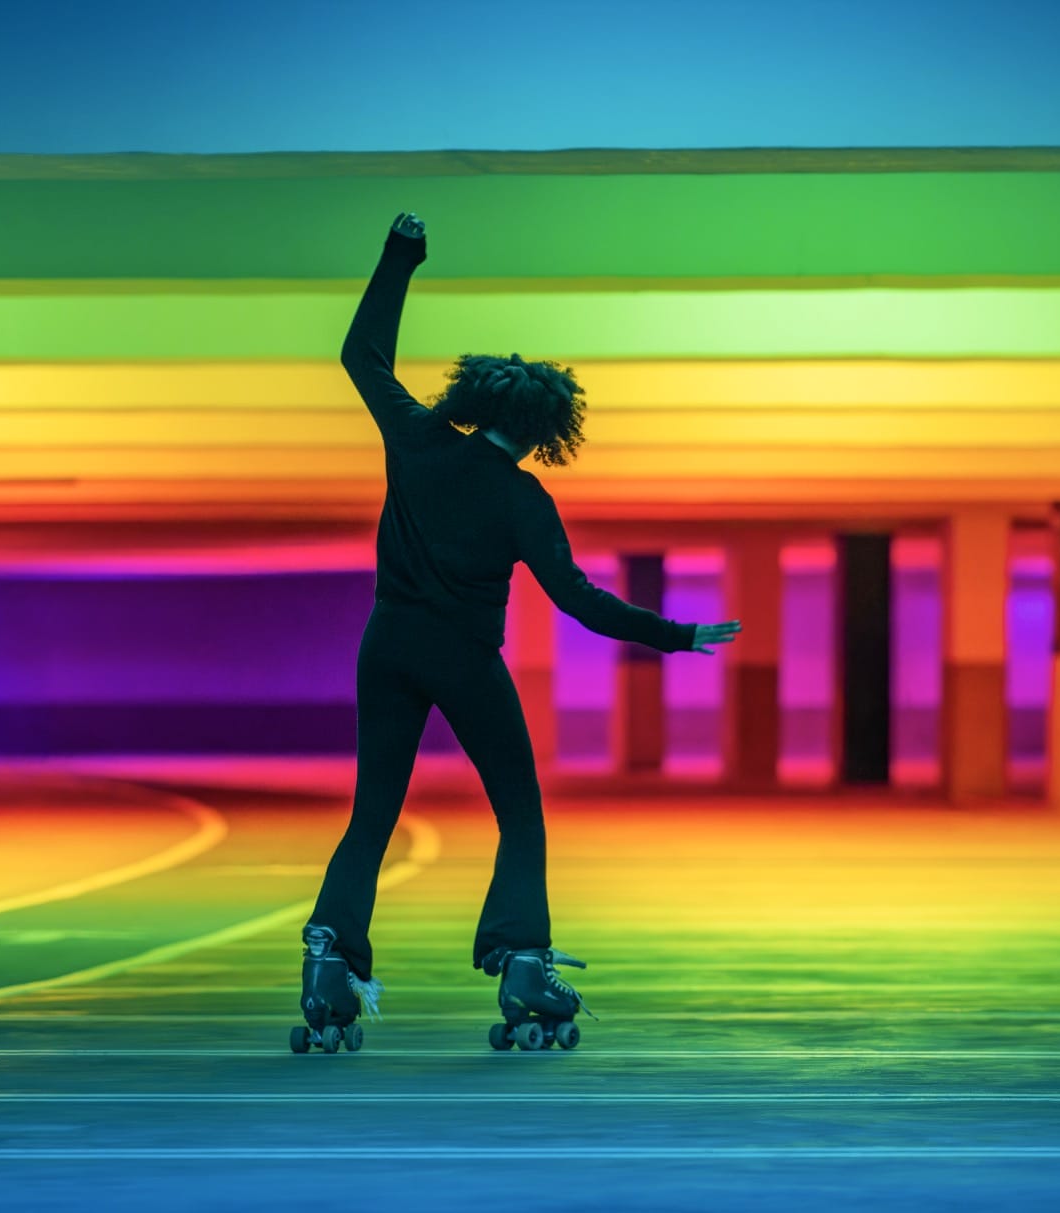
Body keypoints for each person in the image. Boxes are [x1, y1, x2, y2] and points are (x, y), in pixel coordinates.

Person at [294, 212, 743, 1052]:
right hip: (463, 657)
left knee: (373, 814)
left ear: (475, 397)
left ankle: (330, 955)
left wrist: (401, 256)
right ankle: (524, 963)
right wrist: (676, 635)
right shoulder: (524, 500)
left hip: (385, 645)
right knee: (519, 810)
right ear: (546, 431)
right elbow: (579, 599)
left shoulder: (420, 438)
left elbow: (362, 357)